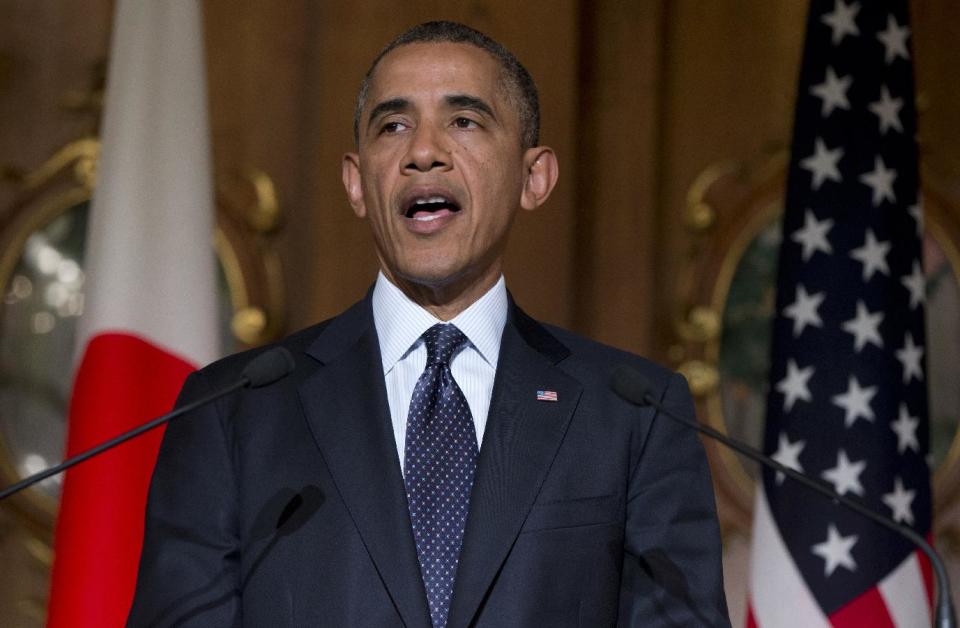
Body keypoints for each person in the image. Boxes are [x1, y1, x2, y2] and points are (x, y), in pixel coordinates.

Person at [128, 21, 730, 627]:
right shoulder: (233, 412)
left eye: (464, 121)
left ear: (534, 177)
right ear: (356, 181)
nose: (423, 151)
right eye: (393, 125)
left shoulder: (633, 415)